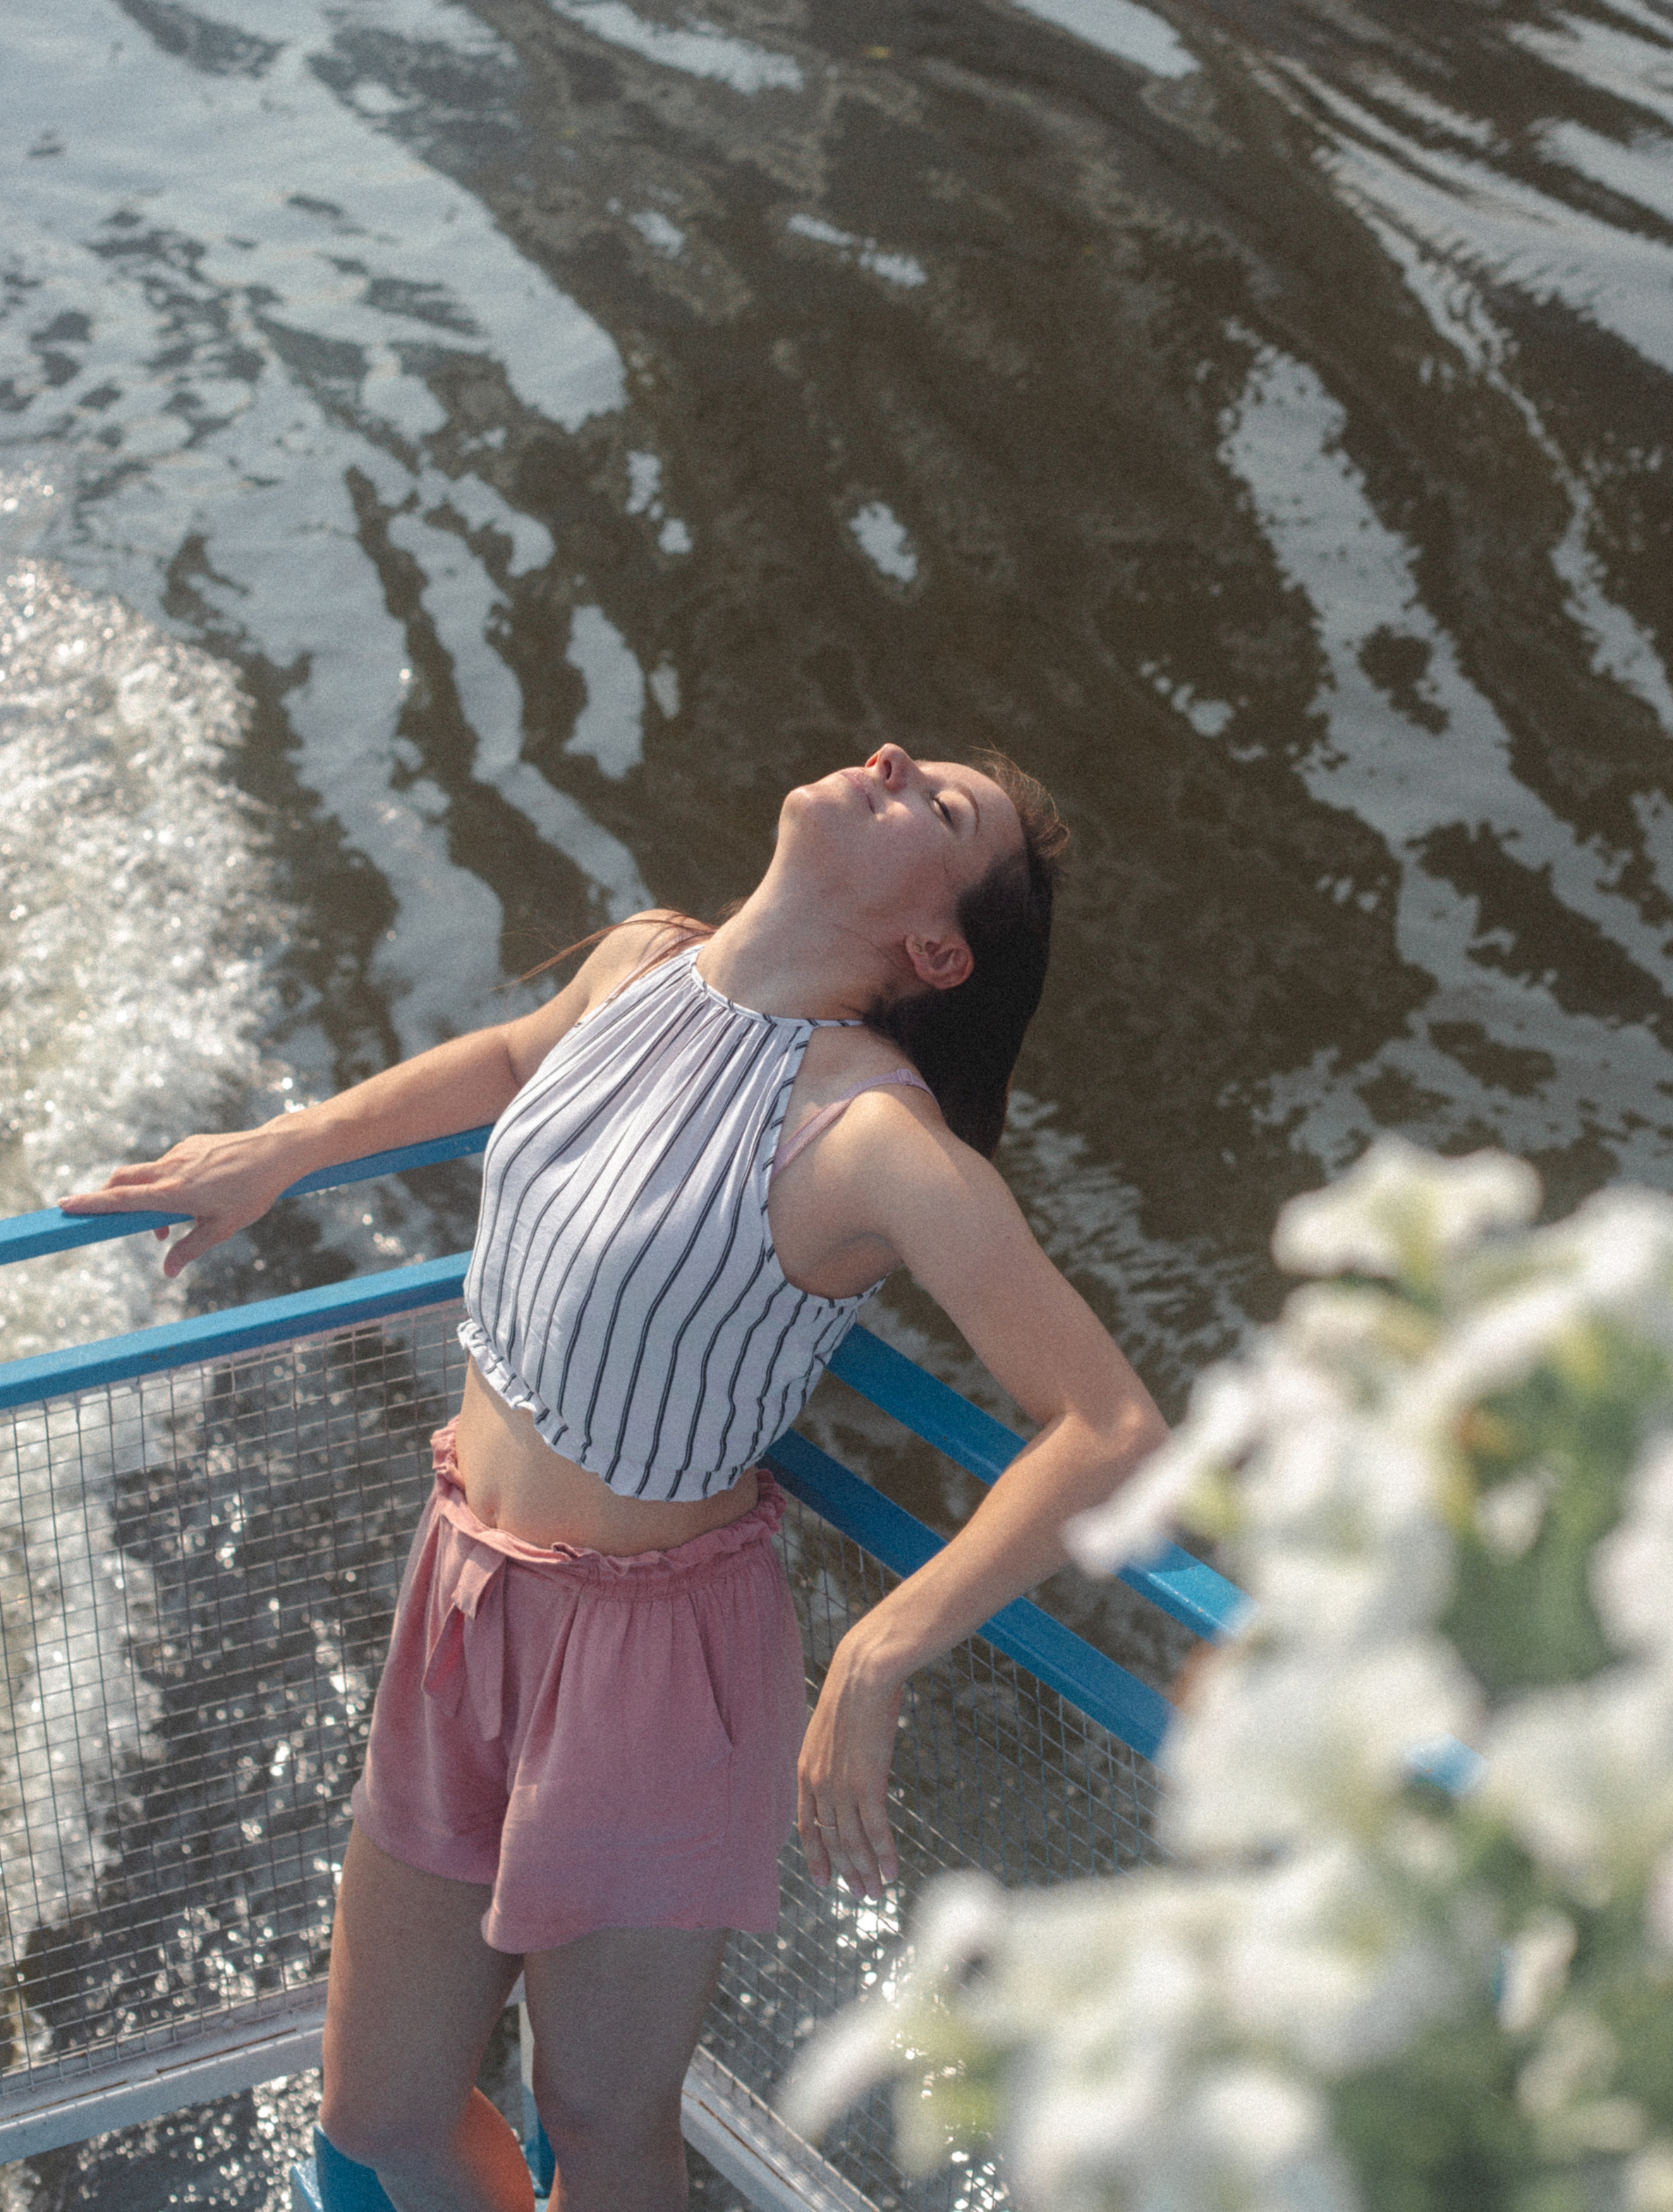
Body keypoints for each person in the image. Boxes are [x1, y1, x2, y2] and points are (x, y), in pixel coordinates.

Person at [65, 744, 1167, 2212]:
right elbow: (520, 1058)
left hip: (650, 1669)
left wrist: (884, 1648)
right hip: (462, 1591)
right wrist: (286, 1147)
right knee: (382, 2106)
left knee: (597, 2122)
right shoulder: (647, 961)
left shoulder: (877, 1147)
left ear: (932, 950)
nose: (892, 759)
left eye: (939, 807)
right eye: (910, 759)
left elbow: (1106, 1426)